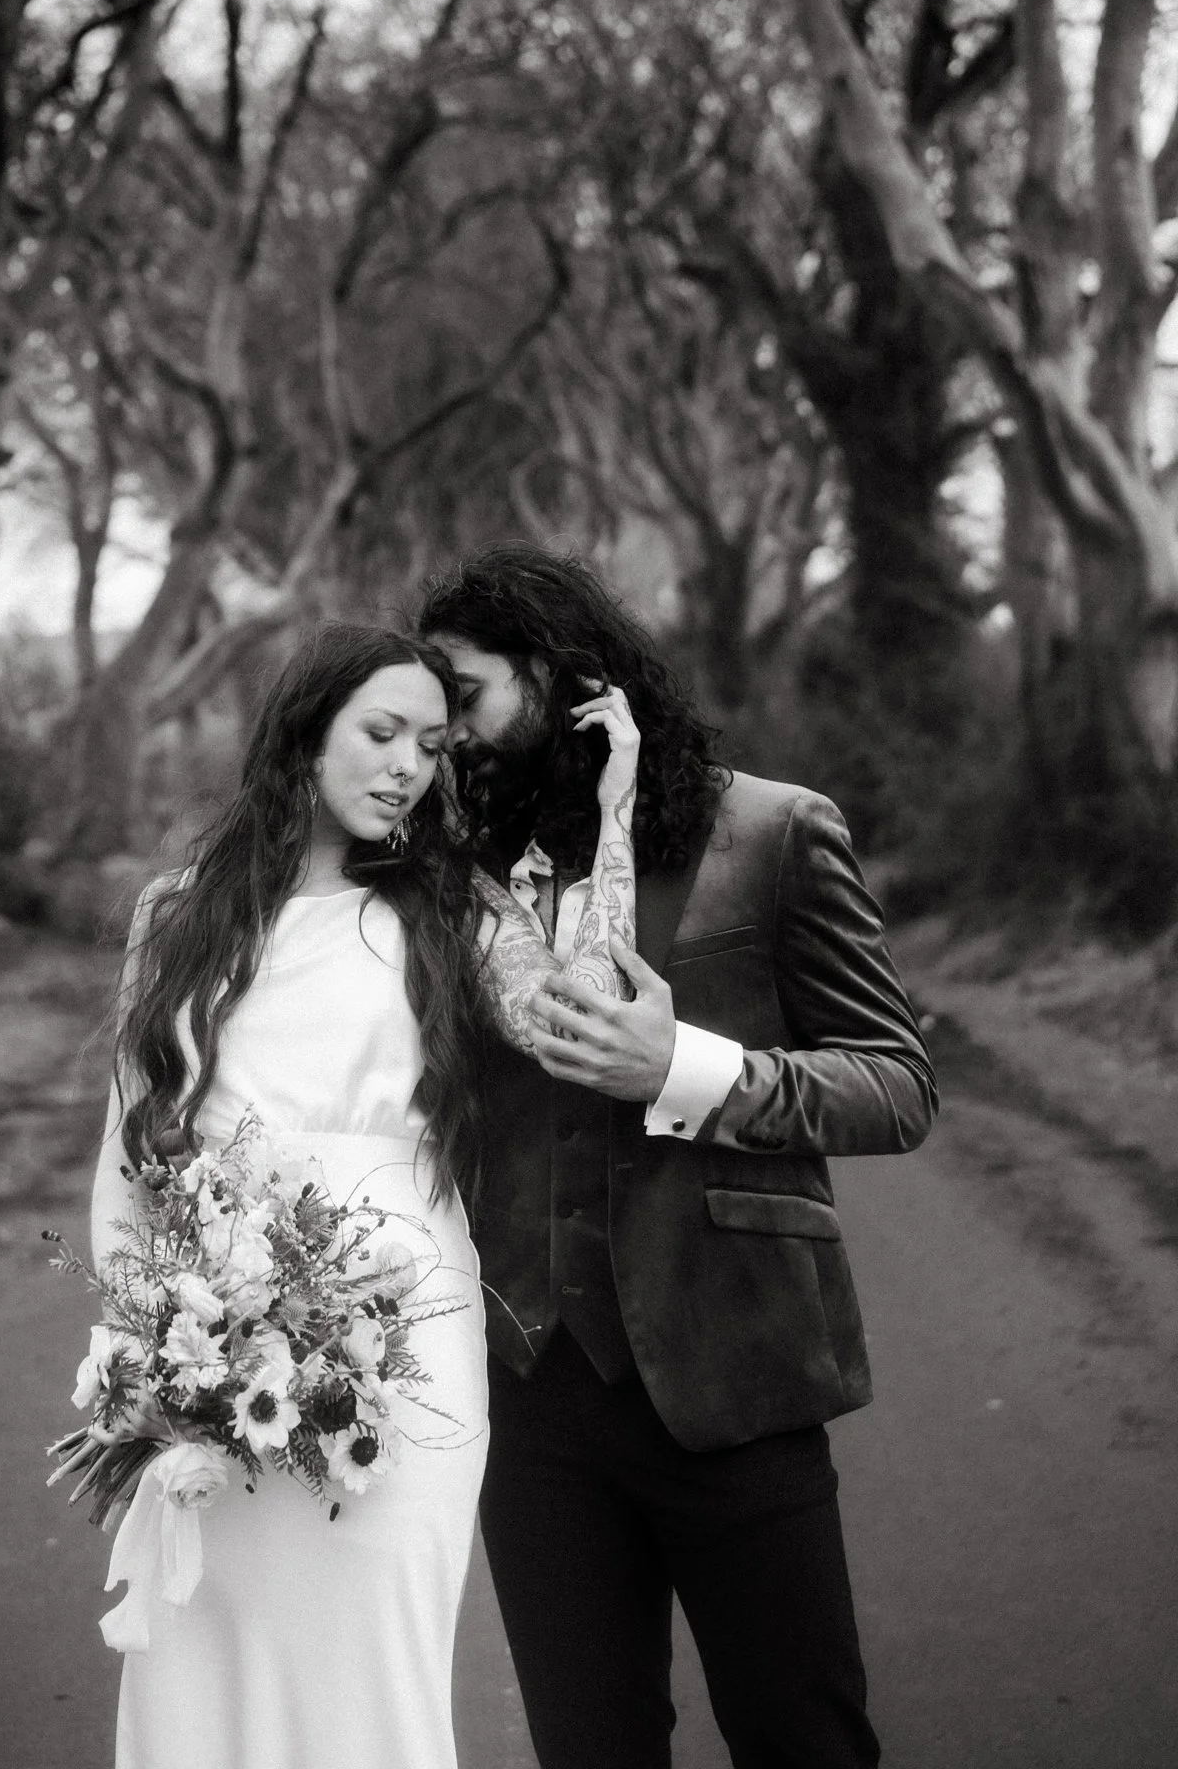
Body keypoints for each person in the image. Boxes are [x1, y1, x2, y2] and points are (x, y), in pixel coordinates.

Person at [417, 545, 938, 1769]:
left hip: (737, 1371)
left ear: (557, 675)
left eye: (469, 697)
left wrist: (685, 1071)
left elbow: (898, 1084)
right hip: (530, 1398)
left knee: (801, 1739)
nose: (454, 741)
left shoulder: (770, 831)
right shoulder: (450, 879)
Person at [88, 622, 641, 1769]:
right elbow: (131, 1150)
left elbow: (583, 1017)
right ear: (303, 736)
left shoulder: (448, 909)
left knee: (370, 1663)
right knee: (209, 1652)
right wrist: (139, 1343)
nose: (406, 766)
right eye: (380, 733)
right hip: (213, 1331)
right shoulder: (176, 914)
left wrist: (615, 806)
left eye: (431, 746)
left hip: (409, 1331)